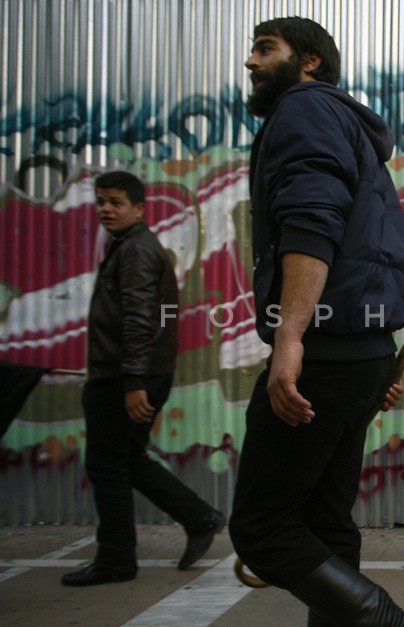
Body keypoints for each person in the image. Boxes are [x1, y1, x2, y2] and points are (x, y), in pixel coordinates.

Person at [227, 17, 404, 627]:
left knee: (262, 529)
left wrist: (289, 336)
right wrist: (375, 358)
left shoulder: (303, 109)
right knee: (325, 520)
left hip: (323, 350)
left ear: (309, 60)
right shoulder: (352, 128)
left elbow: (312, 221)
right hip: (360, 352)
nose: (251, 63)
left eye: (266, 49)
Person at [62, 171, 225, 586]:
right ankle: (199, 517)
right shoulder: (130, 247)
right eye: (101, 202)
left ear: (138, 208)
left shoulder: (135, 251)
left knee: (107, 466)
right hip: (134, 373)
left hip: (125, 377)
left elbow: (139, 319)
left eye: (116, 202)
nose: (105, 209)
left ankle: (116, 560)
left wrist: (132, 381)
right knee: (127, 460)